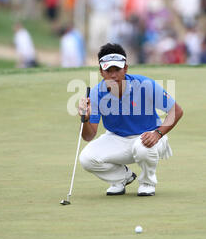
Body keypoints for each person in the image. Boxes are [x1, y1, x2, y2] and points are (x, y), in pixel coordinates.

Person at [78, 43, 183, 197]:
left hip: (150, 136)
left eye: (117, 70)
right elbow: (88, 136)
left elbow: (176, 111)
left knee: (142, 147)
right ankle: (122, 178)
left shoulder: (144, 85)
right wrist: (85, 119)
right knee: (86, 159)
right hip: (116, 138)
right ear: (101, 72)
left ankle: (147, 182)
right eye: (108, 70)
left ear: (125, 68)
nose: (113, 75)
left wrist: (158, 133)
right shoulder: (96, 94)